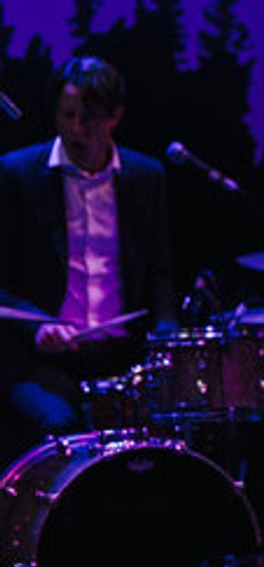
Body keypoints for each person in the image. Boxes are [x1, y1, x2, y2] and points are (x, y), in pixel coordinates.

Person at [0, 56, 175, 447]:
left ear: (114, 117)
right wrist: (37, 326)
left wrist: (167, 338)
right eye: (67, 115)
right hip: (41, 361)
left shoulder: (145, 177)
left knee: (164, 437)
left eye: (89, 119)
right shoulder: (16, 174)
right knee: (60, 426)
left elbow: (159, 273)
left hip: (123, 356)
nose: (76, 129)